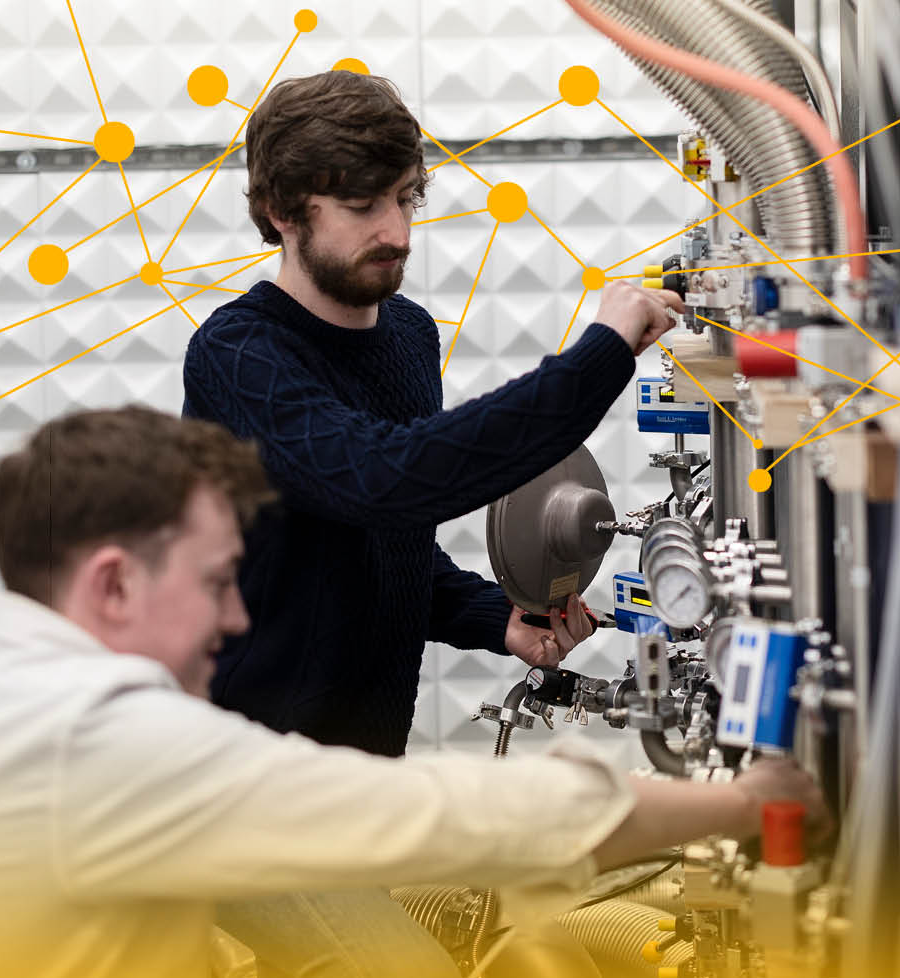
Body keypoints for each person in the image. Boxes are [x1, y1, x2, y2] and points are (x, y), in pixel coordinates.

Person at [0, 407, 826, 978]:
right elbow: (450, 818)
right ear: (114, 582)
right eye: (220, 584)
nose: (233, 618)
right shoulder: (86, 739)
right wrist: (747, 802)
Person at [182, 69, 686, 759]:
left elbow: (383, 545)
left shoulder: (410, 335)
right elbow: (384, 481)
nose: (396, 231)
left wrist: (495, 619)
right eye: (362, 205)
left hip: (364, 768)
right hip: (243, 770)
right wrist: (598, 358)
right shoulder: (238, 355)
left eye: (404, 198)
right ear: (283, 211)